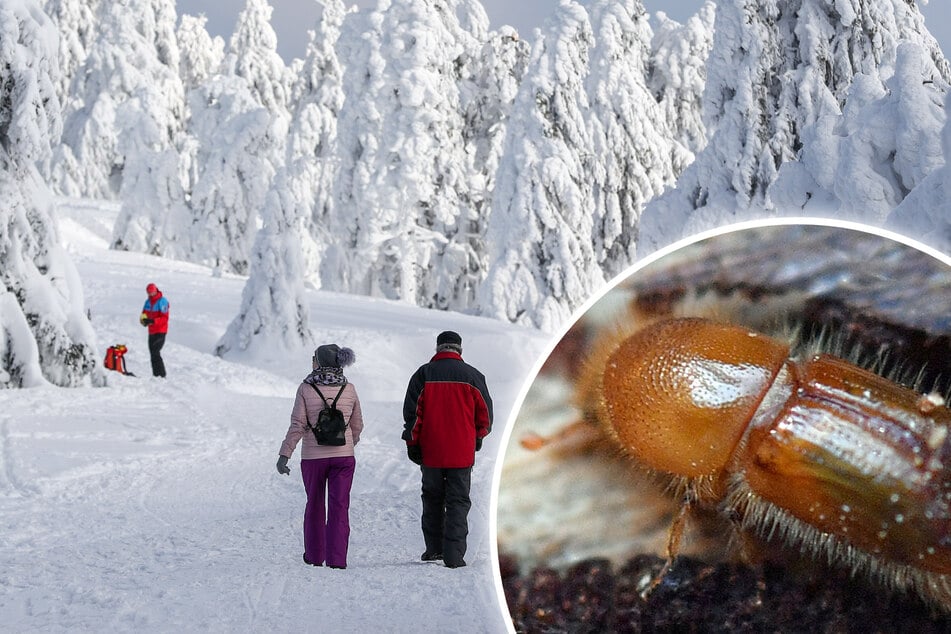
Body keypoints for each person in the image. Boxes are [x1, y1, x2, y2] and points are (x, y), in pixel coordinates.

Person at [402, 330, 493, 568]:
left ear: (438, 349)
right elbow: (485, 416)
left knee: (432, 498)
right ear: (459, 350)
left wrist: (413, 443)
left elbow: (413, 416)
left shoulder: (423, 374)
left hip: (430, 452)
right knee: (458, 501)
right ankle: (454, 556)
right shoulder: (473, 376)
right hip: (461, 454)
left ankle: (434, 550)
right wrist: (477, 437)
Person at [277, 344, 363, 569]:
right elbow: (357, 424)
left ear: (319, 361)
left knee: (314, 504)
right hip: (344, 458)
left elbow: (297, 425)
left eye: (314, 357)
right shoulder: (350, 388)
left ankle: (315, 556)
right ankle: (337, 560)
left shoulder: (306, 388)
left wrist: (285, 454)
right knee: (339, 506)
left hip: (313, 458)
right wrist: (347, 444)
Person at [139, 283, 169, 377]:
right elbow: (143, 314)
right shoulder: (147, 302)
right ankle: (156, 375)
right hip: (151, 331)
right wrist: (143, 321)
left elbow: (165, 318)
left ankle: (162, 375)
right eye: (149, 293)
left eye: (152, 292)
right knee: (152, 353)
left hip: (160, 331)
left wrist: (153, 321)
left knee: (156, 352)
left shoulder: (162, 301)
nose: (151, 294)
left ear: (156, 291)